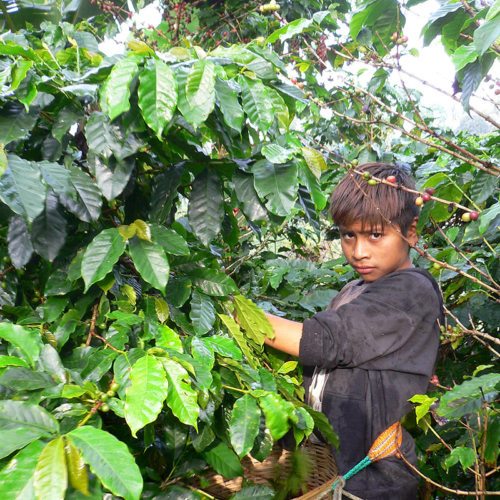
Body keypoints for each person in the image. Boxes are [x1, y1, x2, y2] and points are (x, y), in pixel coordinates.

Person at [263, 163, 443, 499]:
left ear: (411, 232)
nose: (359, 251)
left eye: (375, 235)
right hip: (331, 467)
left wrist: (238, 315)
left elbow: (321, 342)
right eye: (349, 235)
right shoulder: (353, 290)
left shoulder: (412, 293)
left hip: (375, 481)